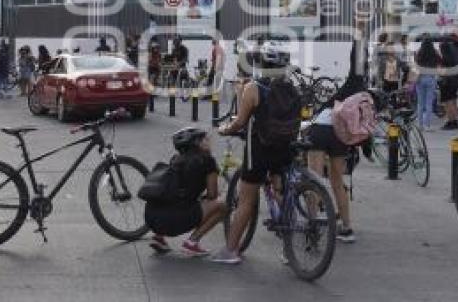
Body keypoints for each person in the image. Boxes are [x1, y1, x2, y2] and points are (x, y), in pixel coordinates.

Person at [213, 45, 301, 265]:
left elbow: (240, 122)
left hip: (260, 151)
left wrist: (225, 129)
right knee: (280, 190)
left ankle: (231, 250)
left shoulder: (254, 87)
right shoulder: (293, 89)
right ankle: (289, 246)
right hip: (285, 149)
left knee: (245, 200)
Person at [145, 127, 227, 256]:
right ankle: (192, 243)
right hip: (174, 221)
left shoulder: (176, 159)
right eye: (205, 139)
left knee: (174, 198)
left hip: (152, 219)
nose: (209, 141)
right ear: (197, 143)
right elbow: (212, 195)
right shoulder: (207, 161)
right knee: (223, 206)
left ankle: (159, 238)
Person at [306, 106, 358, 243]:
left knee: (314, 181)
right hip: (340, 129)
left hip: (320, 127)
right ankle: (347, 228)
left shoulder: (317, 83)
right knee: (337, 182)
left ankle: (313, 226)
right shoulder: (351, 83)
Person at [414, 38, 440, 131]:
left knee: (420, 103)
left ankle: (420, 125)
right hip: (431, 78)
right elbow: (439, 64)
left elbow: (416, 65)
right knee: (429, 103)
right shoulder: (434, 53)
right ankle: (427, 125)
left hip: (420, 78)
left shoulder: (419, 53)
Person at [438, 35, 458, 130]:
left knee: (448, 102)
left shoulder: (445, 59)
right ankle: (455, 120)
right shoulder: (454, 57)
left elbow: (443, 70)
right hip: (454, 80)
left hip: (447, 81)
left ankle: (451, 121)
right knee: (453, 100)